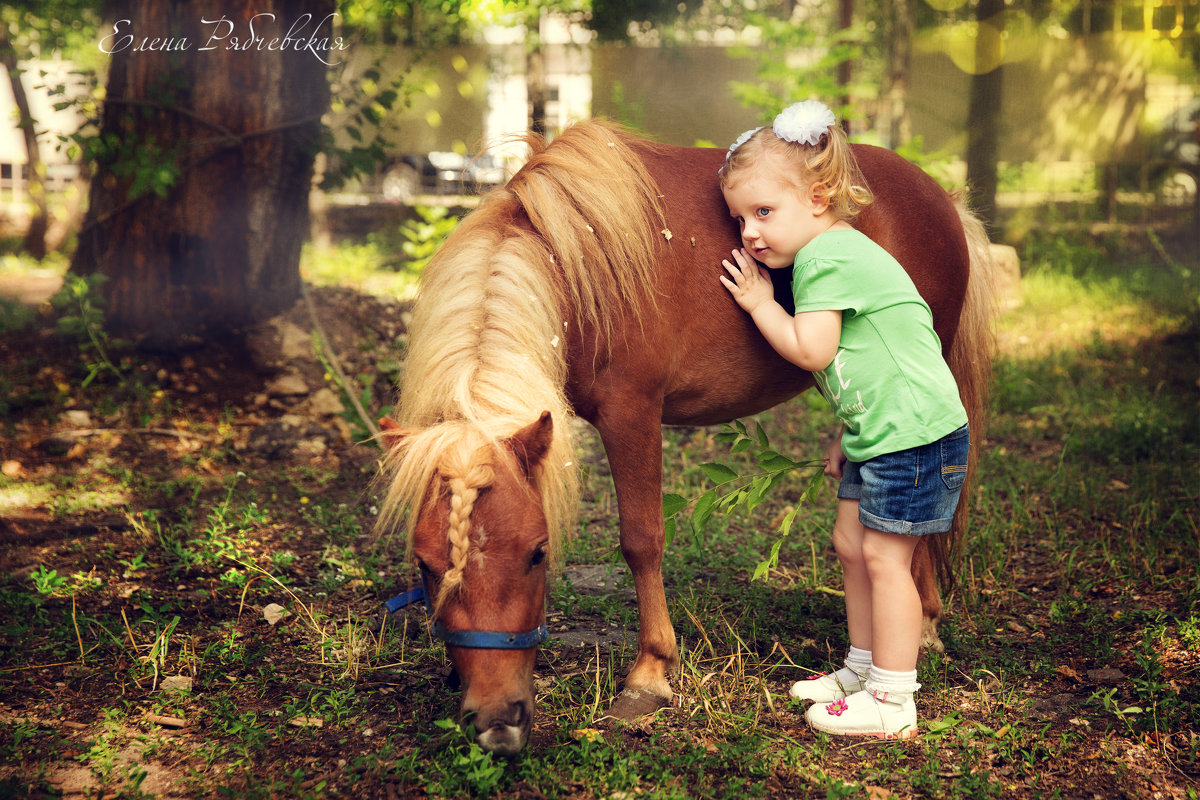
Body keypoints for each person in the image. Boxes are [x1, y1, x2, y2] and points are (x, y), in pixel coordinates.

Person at [717, 100, 969, 739]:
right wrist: (848, 431)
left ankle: (892, 699)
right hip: (883, 430)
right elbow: (872, 362)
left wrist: (756, 303)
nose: (749, 232)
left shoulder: (826, 257)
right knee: (851, 545)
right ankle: (862, 668)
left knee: (886, 558)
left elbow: (813, 350)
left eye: (764, 212)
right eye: (740, 218)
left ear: (820, 197)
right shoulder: (828, 251)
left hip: (916, 436)